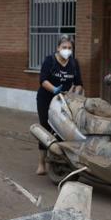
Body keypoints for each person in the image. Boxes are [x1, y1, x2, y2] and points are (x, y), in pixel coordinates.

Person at [35, 35, 83, 175]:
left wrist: (75, 93)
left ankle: (60, 160)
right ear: (58, 48)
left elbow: (79, 83)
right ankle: (41, 163)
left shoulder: (74, 63)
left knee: (64, 129)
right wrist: (55, 90)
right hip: (46, 99)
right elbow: (43, 80)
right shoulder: (50, 61)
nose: (67, 50)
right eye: (64, 47)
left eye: (69, 48)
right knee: (46, 128)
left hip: (64, 101)